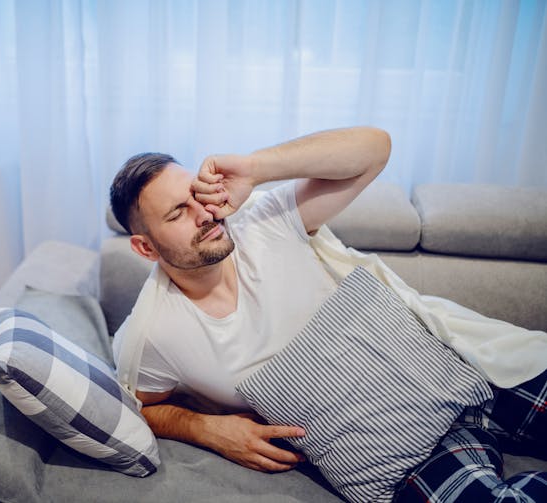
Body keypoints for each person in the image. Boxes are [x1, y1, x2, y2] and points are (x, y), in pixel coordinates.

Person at [109, 127, 547, 501]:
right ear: (145, 247)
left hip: (466, 367)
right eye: (177, 213)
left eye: (196, 196)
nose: (204, 212)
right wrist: (207, 429)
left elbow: (375, 148)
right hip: (410, 447)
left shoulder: (264, 220)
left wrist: (256, 168)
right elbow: (140, 407)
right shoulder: (153, 333)